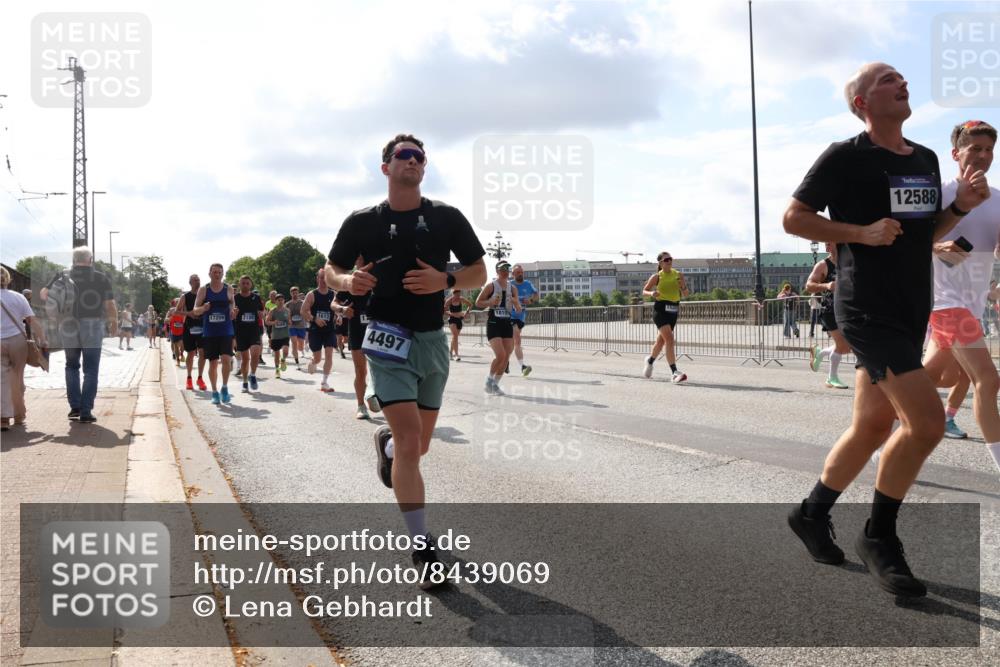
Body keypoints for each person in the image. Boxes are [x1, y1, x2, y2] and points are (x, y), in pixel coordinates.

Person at [783, 62, 990, 598]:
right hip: (866, 309)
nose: (902, 83)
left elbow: (924, 236)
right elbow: (794, 218)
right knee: (923, 424)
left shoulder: (921, 158)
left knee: (873, 426)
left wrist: (959, 209)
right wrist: (860, 232)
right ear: (862, 104)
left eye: (902, 77)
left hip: (910, 308)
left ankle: (811, 513)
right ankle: (879, 536)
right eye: (886, 81)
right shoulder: (845, 156)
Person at [325, 133, 486, 588]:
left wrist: (447, 279)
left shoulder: (445, 217)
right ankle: (422, 548)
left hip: (432, 341)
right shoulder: (362, 222)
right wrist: (346, 281)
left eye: (419, 157)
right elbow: (330, 269)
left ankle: (388, 448)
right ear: (386, 167)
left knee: (418, 446)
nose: (413, 161)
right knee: (414, 442)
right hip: (385, 340)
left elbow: (479, 271)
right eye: (404, 156)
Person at [920, 119, 1000, 471]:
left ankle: (889, 433)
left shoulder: (998, 200)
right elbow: (907, 243)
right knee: (988, 378)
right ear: (956, 154)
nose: (983, 156)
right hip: (945, 300)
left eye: (989, 150)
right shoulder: (938, 194)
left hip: (973, 303)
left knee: (934, 378)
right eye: (975, 149)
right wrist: (937, 244)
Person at [42, 247, 118, 423]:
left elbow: (44, 294)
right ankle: (86, 411)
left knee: (71, 365)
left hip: (67, 324)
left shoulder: (62, 275)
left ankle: (75, 406)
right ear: (90, 260)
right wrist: (113, 322)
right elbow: (109, 304)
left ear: (74, 259)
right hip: (92, 324)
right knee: (90, 369)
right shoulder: (100, 277)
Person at [1, 266, 47, 431]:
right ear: (8, 279)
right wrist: (42, 339)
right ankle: (19, 415)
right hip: (17, 340)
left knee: (2, 380)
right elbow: (31, 320)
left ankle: (3, 418)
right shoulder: (18, 297)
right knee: (17, 377)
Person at [806, 244, 851, 389]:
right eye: (833, 243)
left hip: (847, 310)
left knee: (847, 347)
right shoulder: (823, 265)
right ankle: (832, 378)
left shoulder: (848, 263)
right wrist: (827, 285)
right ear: (828, 247)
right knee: (842, 345)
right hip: (829, 310)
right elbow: (808, 285)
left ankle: (820, 353)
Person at [190, 263, 236, 405]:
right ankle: (215, 392)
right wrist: (203, 308)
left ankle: (225, 387)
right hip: (210, 332)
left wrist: (233, 312)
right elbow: (195, 310)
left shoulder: (229, 289)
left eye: (219, 272)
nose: (217, 274)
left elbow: (232, 306)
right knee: (213, 363)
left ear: (222, 274)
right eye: (214, 272)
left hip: (226, 330)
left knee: (226, 359)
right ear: (209, 273)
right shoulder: (204, 290)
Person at [641, 251, 690, 382]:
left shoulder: (678, 275)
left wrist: (683, 286)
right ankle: (674, 372)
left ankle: (650, 361)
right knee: (670, 339)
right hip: (660, 310)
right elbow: (644, 291)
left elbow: (685, 294)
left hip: (673, 311)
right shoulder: (657, 276)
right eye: (666, 259)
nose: (669, 261)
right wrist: (652, 293)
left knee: (661, 341)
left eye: (670, 259)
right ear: (661, 263)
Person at [475, 261, 521, 395]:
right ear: (497, 271)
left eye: (508, 268)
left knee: (506, 356)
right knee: (500, 355)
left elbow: (518, 310)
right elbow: (478, 303)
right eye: (502, 269)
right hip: (494, 323)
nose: (506, 271)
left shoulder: (513, 289)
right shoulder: (491, 286)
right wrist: (490, 302)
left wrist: (516, 304)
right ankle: (489, 381)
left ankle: (495, 384)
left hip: (506, 323)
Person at [301, 268, 341, 392]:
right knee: (318, 358)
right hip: (315, 331)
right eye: (321, 277)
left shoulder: (334, 294)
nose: (323, 280)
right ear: (317, 278)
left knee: (329, 356)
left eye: (325, 277)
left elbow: (337, 309)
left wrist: (339, 316)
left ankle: (324, 382)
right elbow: (303, 311)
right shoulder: (312, 294)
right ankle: (313, 362)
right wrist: (314, 319)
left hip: (329, 330)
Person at [233, 276, 266, 392]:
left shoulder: (256, 297)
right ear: (239, 285)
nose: (245, 285)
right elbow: (231, 315)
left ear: (250, 285)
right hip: (241, 331)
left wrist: (262, 314)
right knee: (245, 359)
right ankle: (245, 382)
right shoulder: (235, 298)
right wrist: (234, 314)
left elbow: (262, 310)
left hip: (254, 330)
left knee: (256, 353)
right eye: (243, 283)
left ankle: (253, 375)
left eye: (247, 283)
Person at [176, 274, 207, 391]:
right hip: (189, 327)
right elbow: (176, 311)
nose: (197, 281)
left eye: (198, 279)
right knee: (191, 353)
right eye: (195, 280)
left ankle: (200, 378)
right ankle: (189, 378)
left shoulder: (204, 295)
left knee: (203, 353)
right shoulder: (185, 296)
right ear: (190, 283)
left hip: (203, 327)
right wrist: (188, 313)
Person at [510, 263, 538, 376]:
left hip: (521, 317)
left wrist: (530, 300)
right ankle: (522, 366)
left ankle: (504, 361)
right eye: (517, 273)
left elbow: (536, 295)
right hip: (510, 316)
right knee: (517, 340)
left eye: (521, 272)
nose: (520, 274)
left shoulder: (528, 284)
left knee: (512, 343)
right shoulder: (509, 285)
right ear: (513, 274)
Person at [265, 293, 291, 378]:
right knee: (276, 354)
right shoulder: (273, 310)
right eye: (278, 300)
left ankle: (283, 360)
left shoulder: (287, 310)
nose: (280, 302)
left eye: (282, 300)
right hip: (276, 336)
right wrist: (273, 322)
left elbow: (289, 322)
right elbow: (267, 321)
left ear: (284, 301)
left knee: (286, 351)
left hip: (285, 334)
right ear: (275, 301)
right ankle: (277, 370)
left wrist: (289, 322)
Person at [444, 289, 472, 362]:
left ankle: (450, 352)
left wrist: (466, 313)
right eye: (457, 295)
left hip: (459, 319)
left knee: (455, 338)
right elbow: (443, 309)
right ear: (453, 294)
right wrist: (450, 314)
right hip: (452, 319)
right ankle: (456, 355)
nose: (458, 296)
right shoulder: (449, 300)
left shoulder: (461, 299)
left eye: (459, 294)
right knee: (455, 336)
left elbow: (470, 305)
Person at [287, 286, 306, 366]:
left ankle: (297, 350)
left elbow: (307, 311)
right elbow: (284, 313)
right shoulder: (288, 304)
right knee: (294, 343)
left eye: (296, 293)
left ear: (298, 293)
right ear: (290, 294)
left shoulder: (303, 302)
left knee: (300, 347)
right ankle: (297, 360)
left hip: (301, 326)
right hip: (292, 326)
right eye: (293, 293)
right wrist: (288, 319)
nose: (294, 294)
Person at [168, 299, 186, 366]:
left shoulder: (184, 310)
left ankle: (181, 353)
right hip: (174, 331)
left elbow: (185, 319)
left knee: (181, 344)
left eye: (180, 301)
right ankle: (178, 360)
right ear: (175, 303)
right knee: (175, 345)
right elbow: (166, 319)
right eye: (177, 302)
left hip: (182, 331)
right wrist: (169, 319)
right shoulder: (171, 310)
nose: (179, 303)